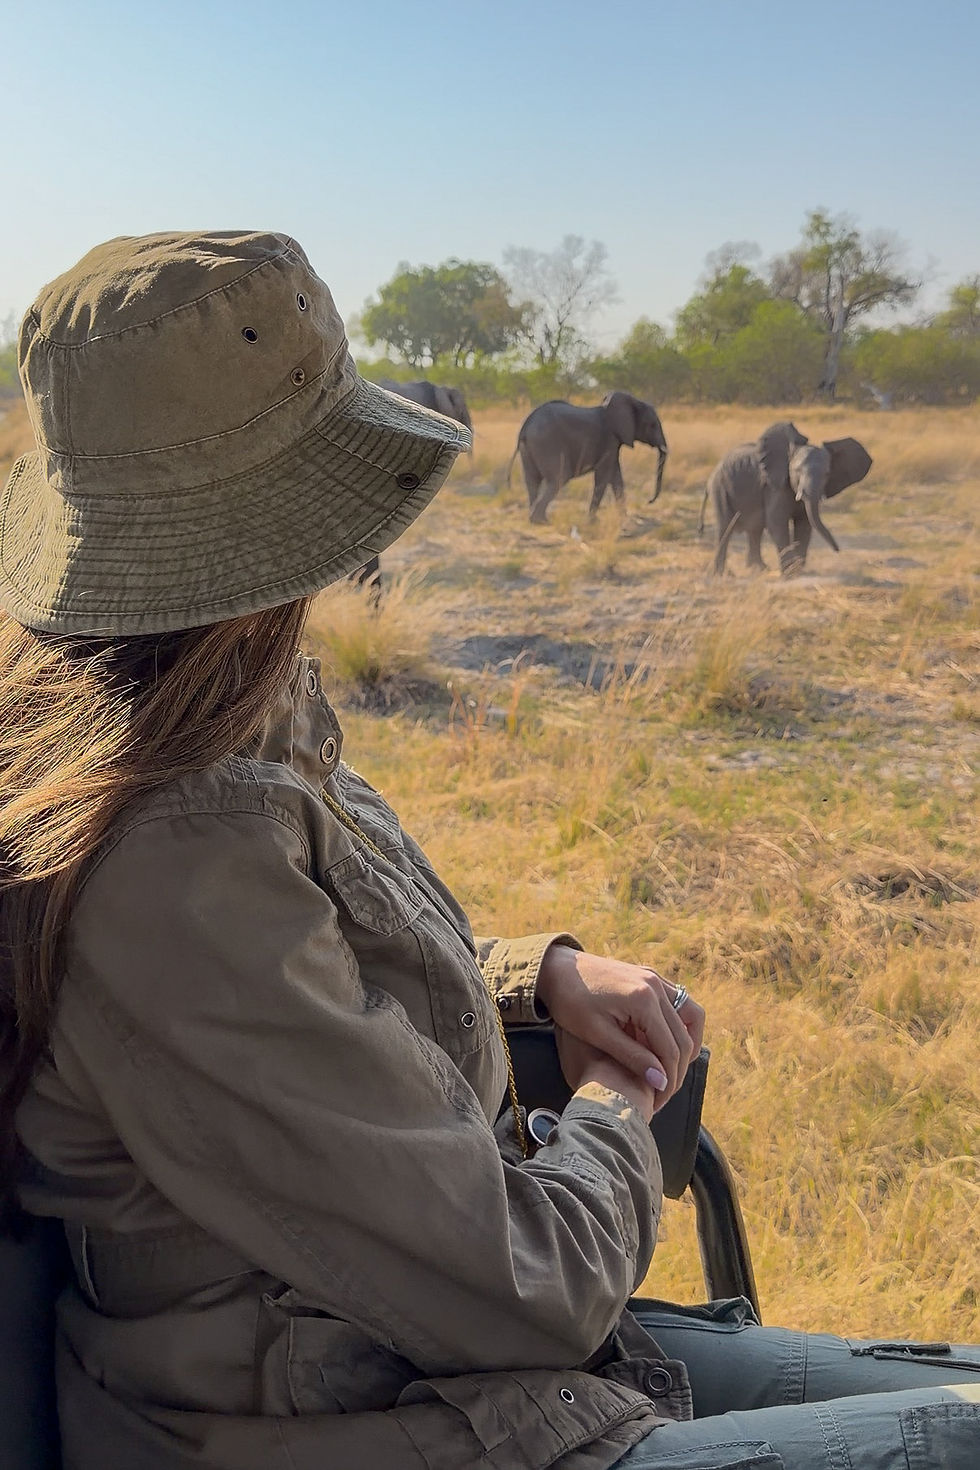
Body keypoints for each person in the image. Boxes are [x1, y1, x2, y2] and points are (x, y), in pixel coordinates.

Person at [0, 232, 976, 1470]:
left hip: (428, 1373)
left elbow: (313, 977)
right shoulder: (179, 849)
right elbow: (536, 1285)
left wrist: (536, 978)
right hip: (345, 1421)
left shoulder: (225, 716)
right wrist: (617, 1102)